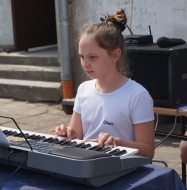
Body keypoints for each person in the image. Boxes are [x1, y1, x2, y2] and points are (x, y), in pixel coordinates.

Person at [50, 9, 155, 159]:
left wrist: (117, 142)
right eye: (82, 57)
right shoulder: (84, 89)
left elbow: (148, 151)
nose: (85, 64)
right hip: (85, 163)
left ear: (115, 55)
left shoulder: (137, 95)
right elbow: (76, 135)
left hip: (121, 167)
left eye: (93, 57)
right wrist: (67, 133)